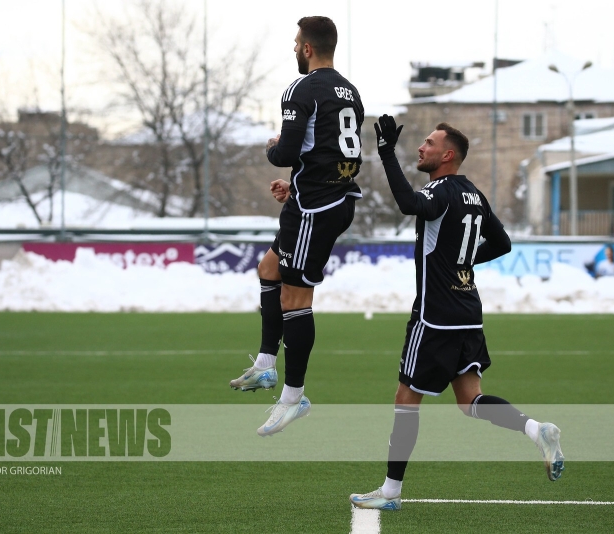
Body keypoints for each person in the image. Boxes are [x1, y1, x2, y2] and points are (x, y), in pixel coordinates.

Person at [349, 116, 564, 511]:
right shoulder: (473, 194)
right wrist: (461, 262)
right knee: (469, 400)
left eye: (429, 143)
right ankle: (537, 430)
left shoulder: (441, 190)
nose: (421, 147)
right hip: (468, 312)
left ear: (448, 155)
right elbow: (502, 242)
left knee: (406, 398)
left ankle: (391, 492)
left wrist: (386, 153)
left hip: (435, 315)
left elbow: (409, 204)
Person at [228, 16, 364, 437]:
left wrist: (273, 149)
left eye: (295, 43)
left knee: (295, 298)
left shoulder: (300, 89)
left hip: (315, 209)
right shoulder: (351, 92)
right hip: (326, 198)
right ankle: (266, 365)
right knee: (268, 269)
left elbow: (287, 151)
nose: (294, 49)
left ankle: (293, 398)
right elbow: (334, 153)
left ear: (307, 48)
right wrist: (297, 183)